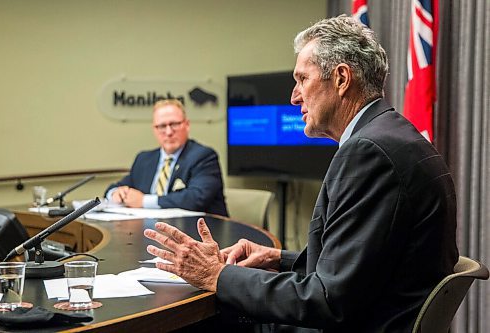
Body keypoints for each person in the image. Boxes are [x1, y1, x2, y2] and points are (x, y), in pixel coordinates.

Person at [143, 15, 458, 332]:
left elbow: (327, 301)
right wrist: (278, 258)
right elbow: (359, 266)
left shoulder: (368, 152)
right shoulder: (392, 136)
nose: (294, 96)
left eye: (302, 80)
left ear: (341, 79)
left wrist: (216, 274)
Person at [105, 99, 228, 217]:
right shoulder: (144, 159)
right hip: (149, 230)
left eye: (174, 124)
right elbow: (116, 187)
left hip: (199, 232)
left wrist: (143, 201)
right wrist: (117, 193)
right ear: (154, 129)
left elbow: (195, 199)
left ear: (187, 125)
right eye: (162, 126)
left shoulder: (203, 156)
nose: (168, 132)